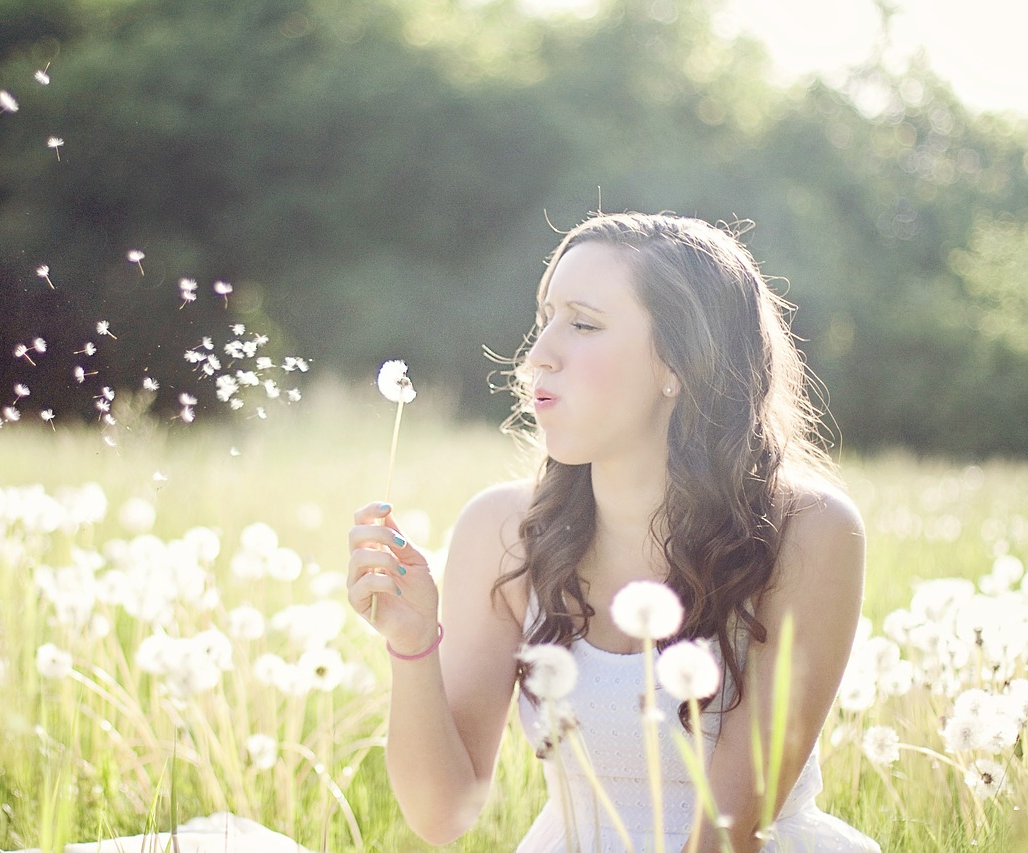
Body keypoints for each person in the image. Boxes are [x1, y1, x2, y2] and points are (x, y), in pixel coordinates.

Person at [346, 212, 881, 852]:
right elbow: (443, 816)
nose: (539, 353)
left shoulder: (806, 531)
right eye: (545, 317)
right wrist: (411, 644)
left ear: (680, 362)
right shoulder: (501, 532)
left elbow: (730, 836)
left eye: (583, 323)